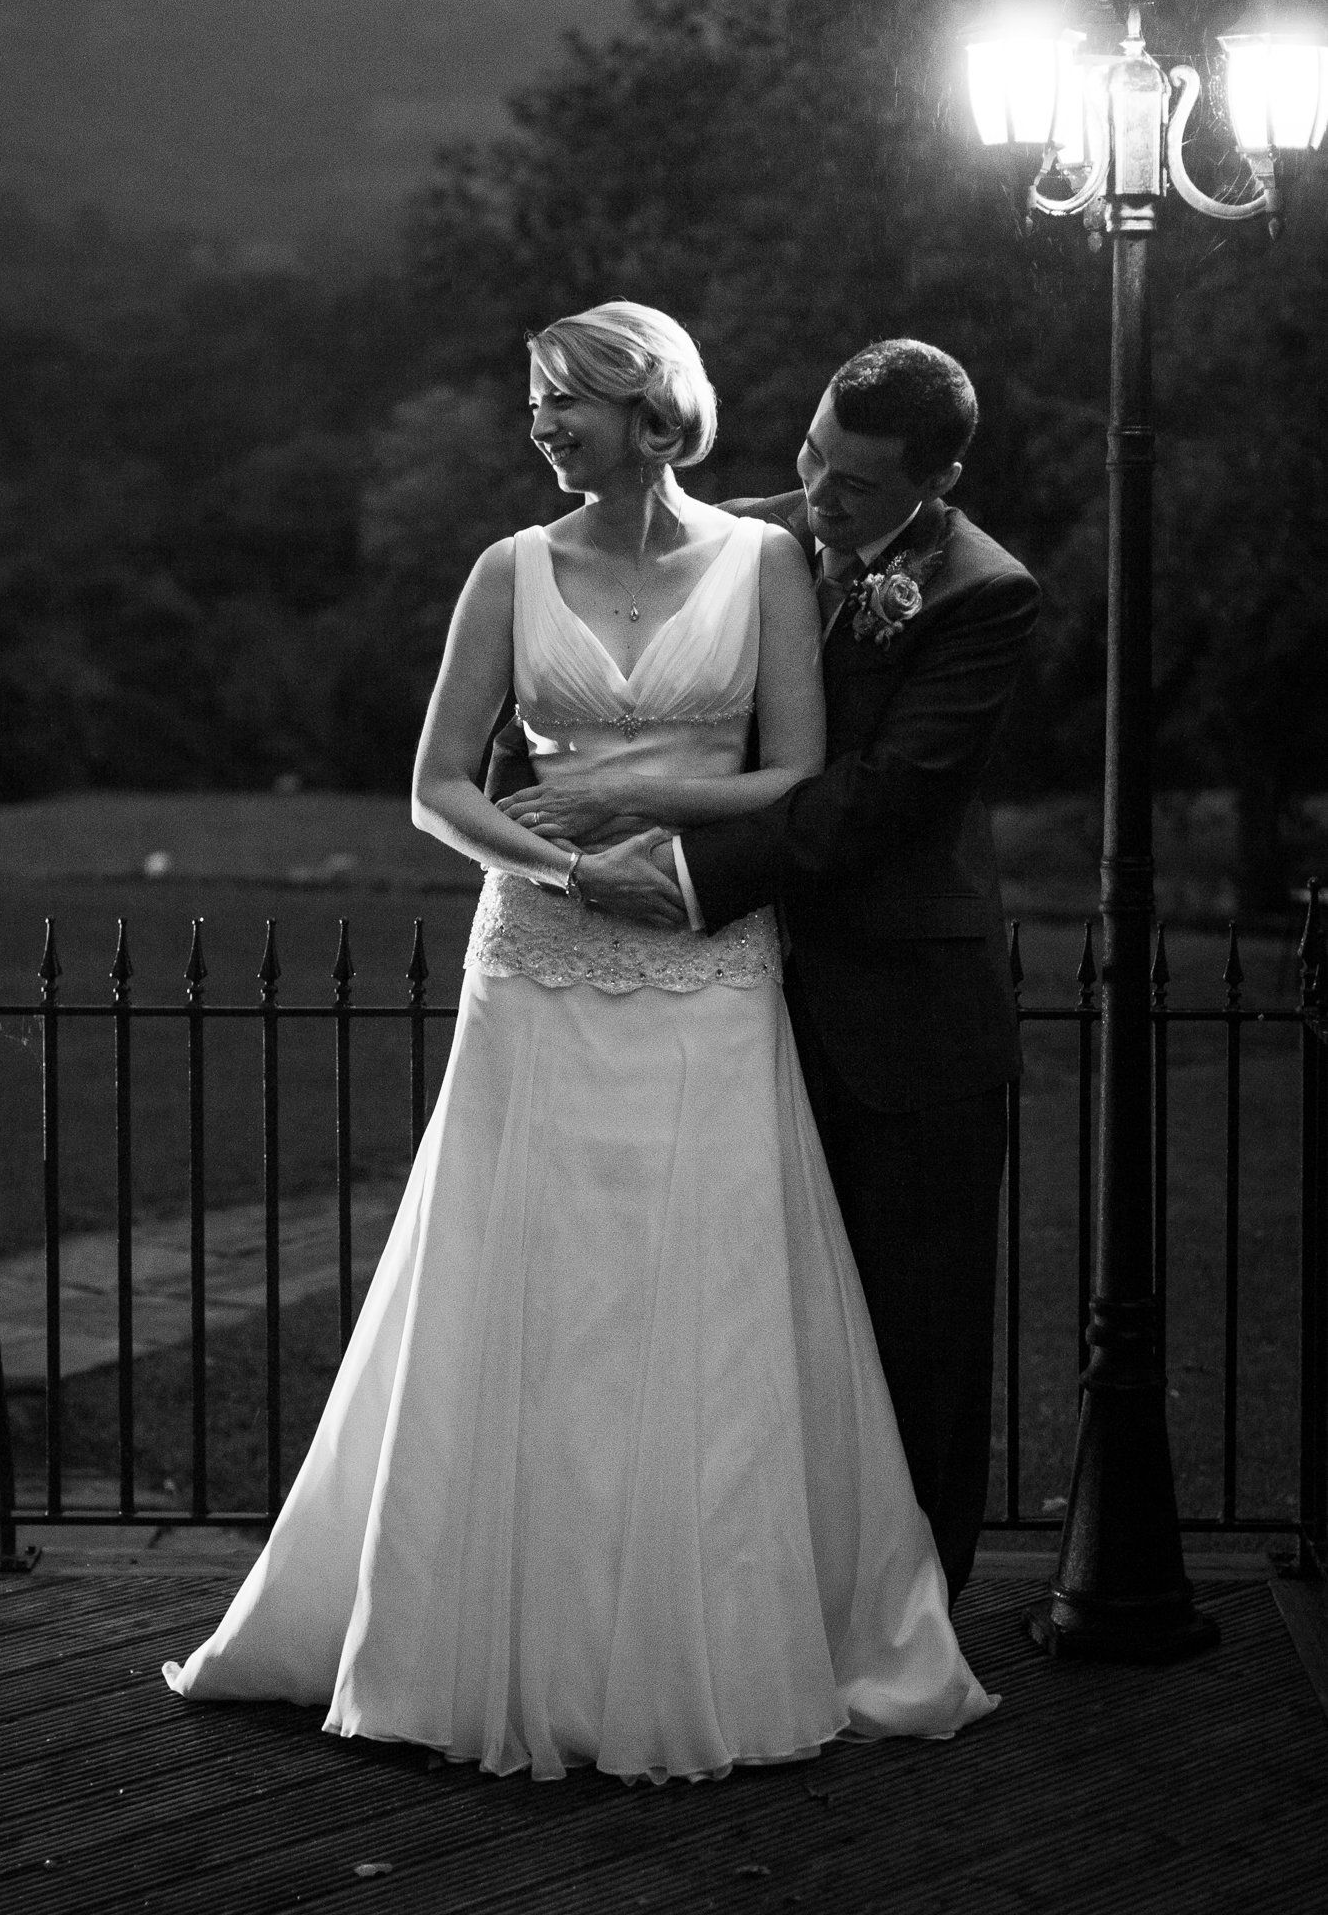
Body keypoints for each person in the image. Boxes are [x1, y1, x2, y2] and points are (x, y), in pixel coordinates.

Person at [163, 303, 995, 1781]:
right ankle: (468, 1627)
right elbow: (435, 790)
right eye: (534, 399)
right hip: (536, 959)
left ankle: (707, 1633)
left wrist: (648, 814)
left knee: (703, 1288)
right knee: (514, 1287)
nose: (539, 421)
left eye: (564, 397)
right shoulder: (503, 570)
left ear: (648, 408)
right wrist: (558, 867)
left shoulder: (761, 567)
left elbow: (798, 771)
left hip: (700, 968)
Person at [526, 338, 1040, 1604]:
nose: (818, 493)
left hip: (904, 1026)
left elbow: (879, 804)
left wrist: (690, 876)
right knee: (752, 1324)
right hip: (734, 1008)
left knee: (912, 1340)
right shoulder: (751, 540)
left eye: (855, 485)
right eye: (812, 453)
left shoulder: (983, 594)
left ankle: (910, 1618)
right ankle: (757, 1607)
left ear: (940, 477)